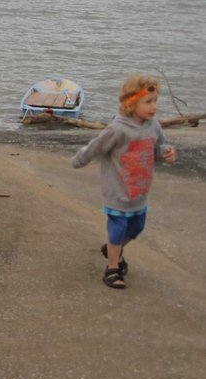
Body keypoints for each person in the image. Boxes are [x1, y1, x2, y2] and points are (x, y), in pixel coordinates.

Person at [72, 75, 178, 290]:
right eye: (148, 102)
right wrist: (80, 159)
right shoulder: (118, 129)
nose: (153, 107)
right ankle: (113, 267)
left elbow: (158, 147)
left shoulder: (153, 125)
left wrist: (166, 154)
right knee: (118, 228)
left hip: (139, 190)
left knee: (137, 227)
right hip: (117, 189)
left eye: (155, 101)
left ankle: (113, 248)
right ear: (131, 104)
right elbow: (97, 146)